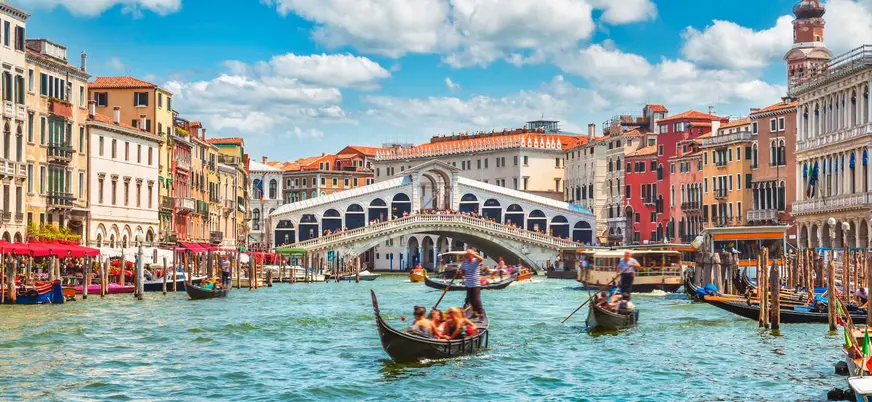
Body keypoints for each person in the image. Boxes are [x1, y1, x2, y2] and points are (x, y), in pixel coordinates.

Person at [461, 248, 484, 316]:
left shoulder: (476, 261)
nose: (467, 256)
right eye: (467, 255)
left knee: (476, 299)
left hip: (475, 283)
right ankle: (474, 312)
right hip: (468, 283)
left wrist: (473, 254)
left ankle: (480, 313)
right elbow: (463, 272)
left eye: (469, 255)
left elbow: (481, 259)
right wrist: (460, 273)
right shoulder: (465, 262)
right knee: (469, 299)